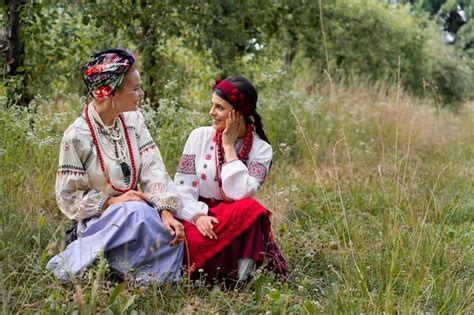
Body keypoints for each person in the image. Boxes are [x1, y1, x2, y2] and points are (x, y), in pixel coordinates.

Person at [46, 48, 184, 284]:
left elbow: (154, 169)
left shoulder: (134, 120)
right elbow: (70, 196)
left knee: (171, 229)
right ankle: (89, 260)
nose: (140, 93)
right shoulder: (76, 135)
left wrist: (166, 212)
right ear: (110, 92)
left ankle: (121, 271)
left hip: (138, 211)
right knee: (138, 213)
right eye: (135, 88)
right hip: (98, 219)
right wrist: (111, 201)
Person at [174, 76, 287, 283]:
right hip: (198, 214)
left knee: (250, 209)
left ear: (238, 113)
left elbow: (240, 194)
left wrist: (228, 147)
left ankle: (242, 279)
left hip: (235, 217)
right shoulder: (198, 136)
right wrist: (197, 216)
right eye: (212, 105)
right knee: (188, 241)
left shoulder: (261, 150)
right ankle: (214, 273)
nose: (211, 112)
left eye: (219, 107)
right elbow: (182, 187)